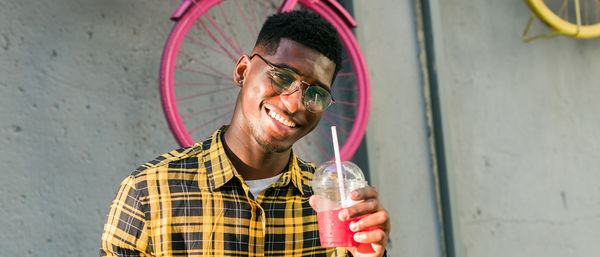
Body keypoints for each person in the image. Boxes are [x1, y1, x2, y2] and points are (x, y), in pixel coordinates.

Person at [100, 10, 390, 257]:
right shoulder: (149, 192)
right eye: (282, 76)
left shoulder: (333, 208)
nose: (293, 104)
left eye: (315, 93)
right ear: (242, 71)